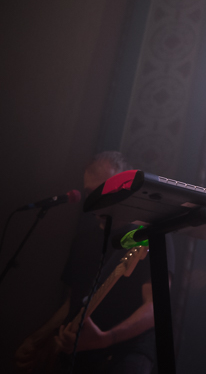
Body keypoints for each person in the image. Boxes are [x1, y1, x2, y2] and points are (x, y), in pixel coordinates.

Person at [15, 151, 169, 374]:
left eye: (104, 190)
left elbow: (155, 307)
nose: (97, 199)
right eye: (91, 192)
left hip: (125, 355)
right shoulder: (83, 240)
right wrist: (39, 339)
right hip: (78, 355)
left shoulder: (148, 234)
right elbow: (73, 302)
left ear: (125, 186)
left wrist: (107, 338)